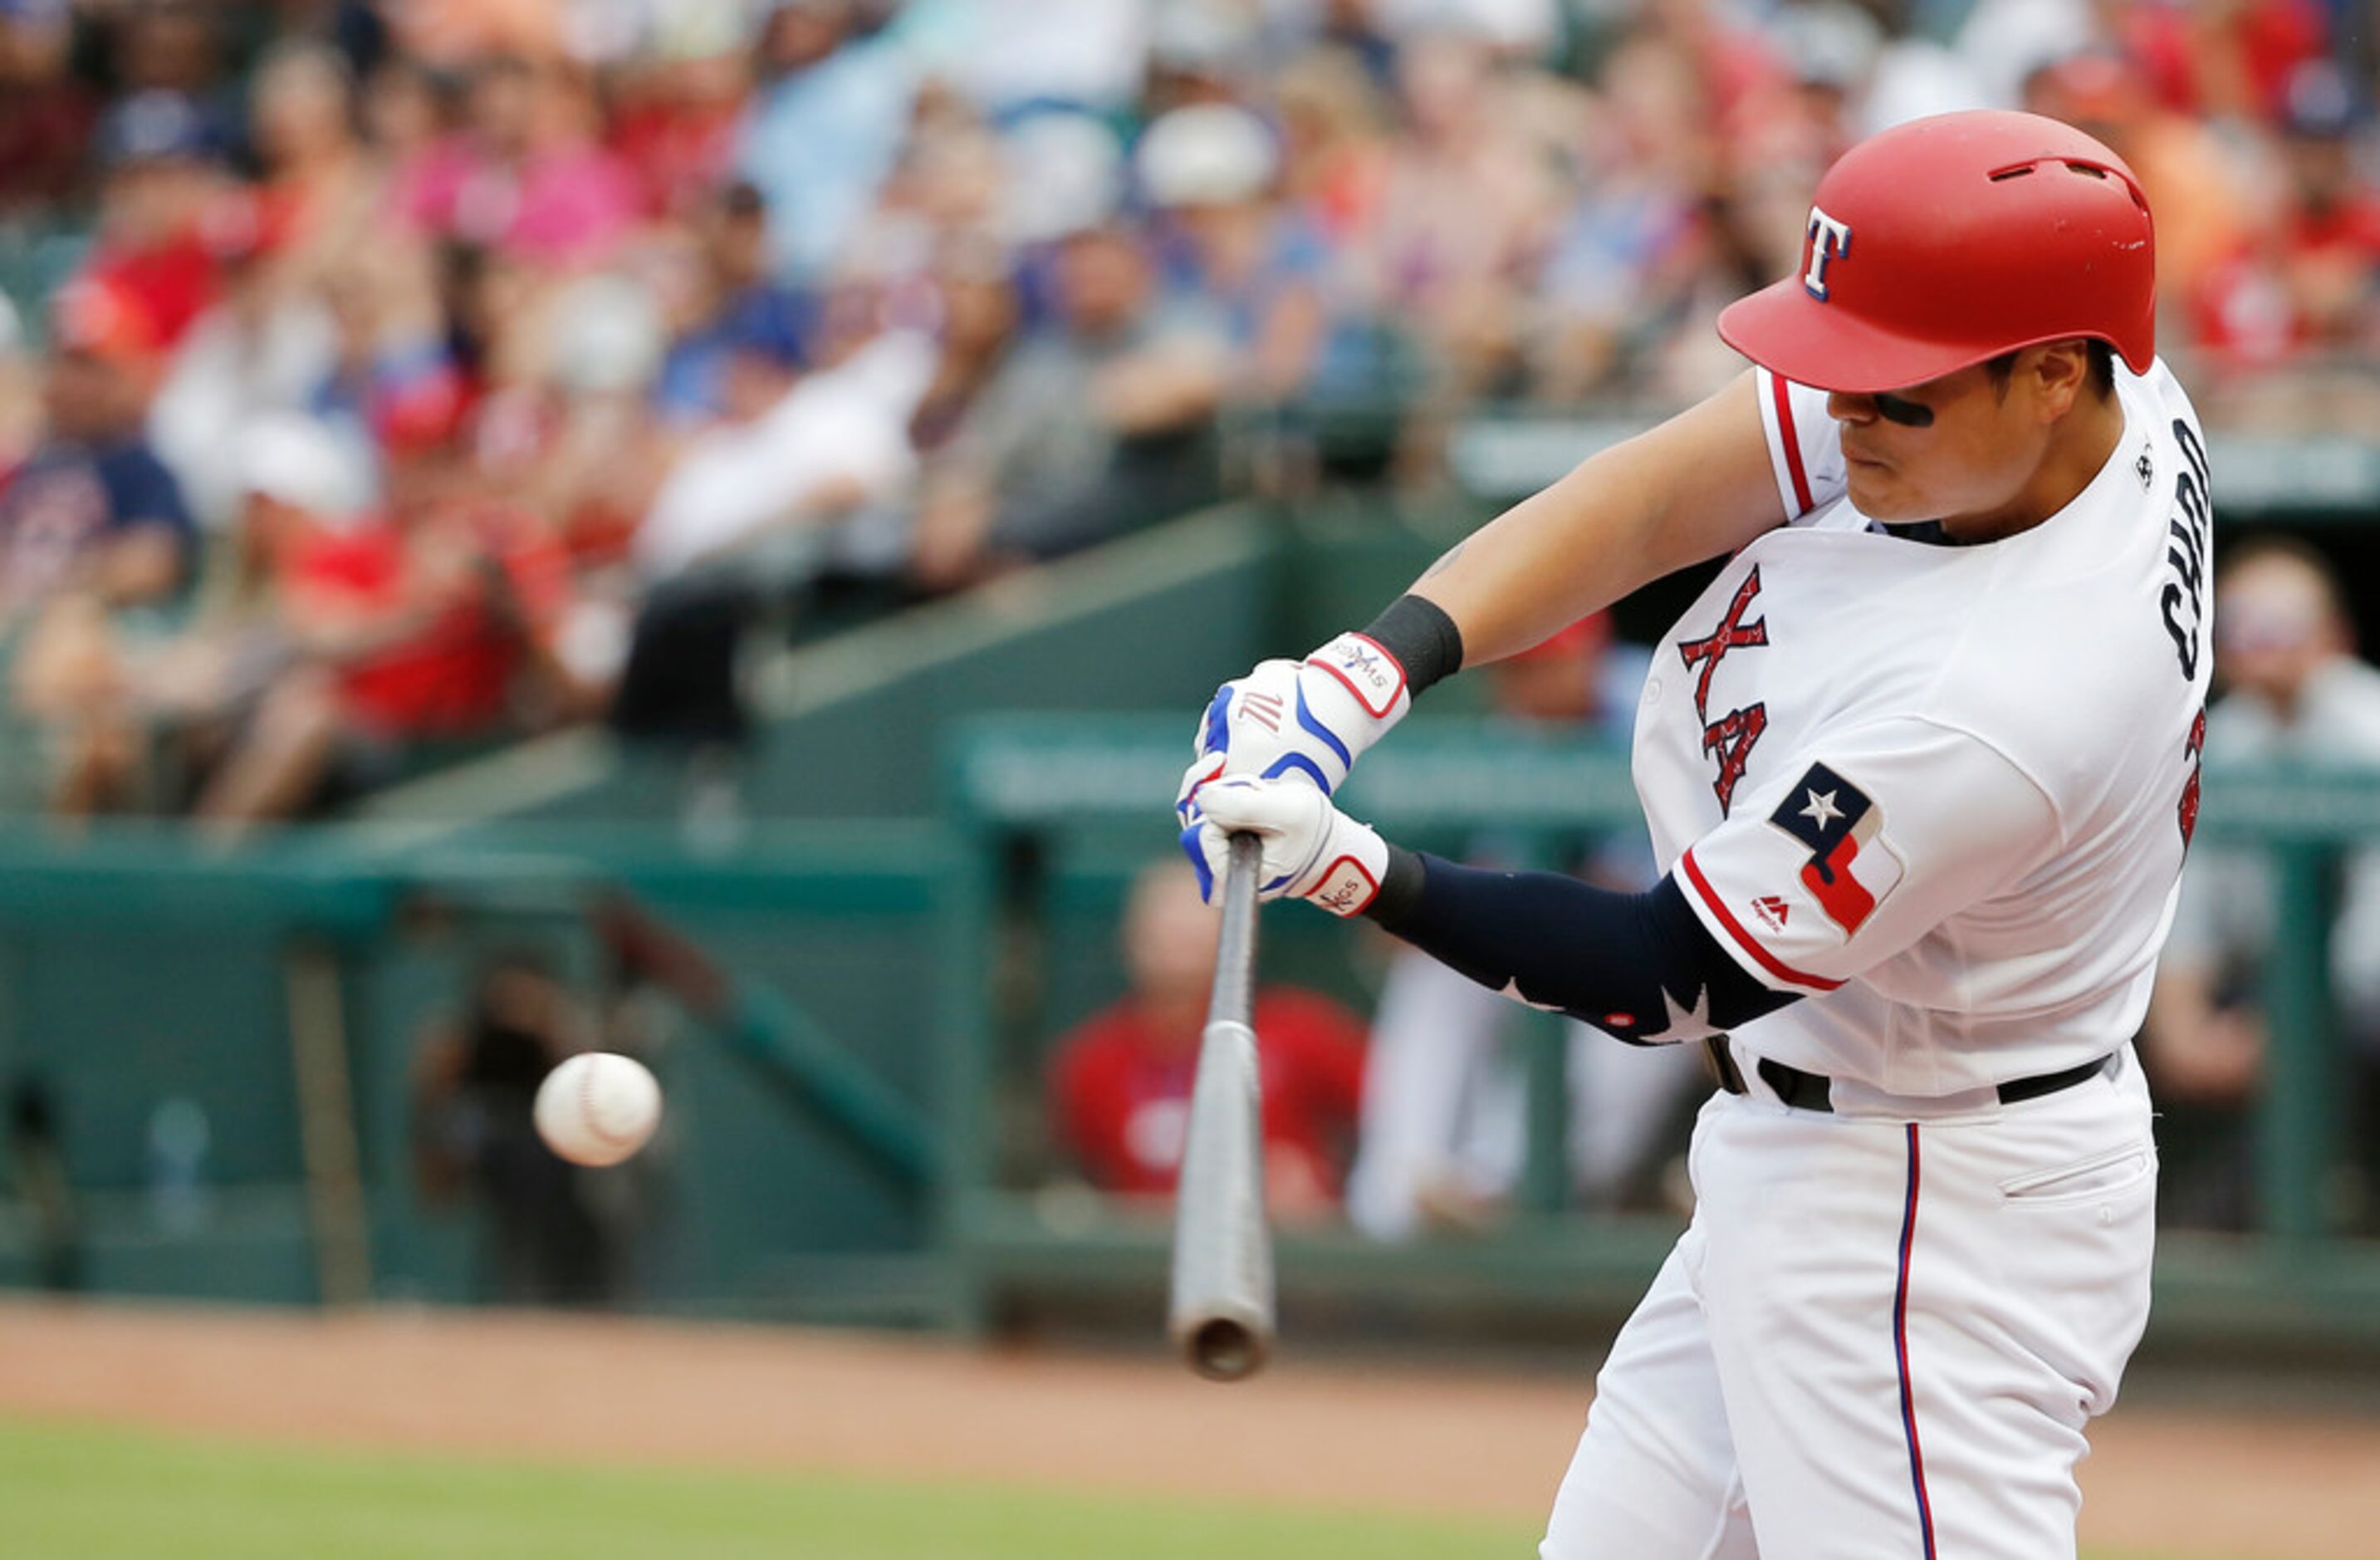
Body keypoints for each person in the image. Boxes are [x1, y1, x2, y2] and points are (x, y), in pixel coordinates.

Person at [1177, 110, 2200, 1558]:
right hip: (1822, 1149)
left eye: (1890, 397)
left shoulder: (2003, 700)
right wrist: (1363, 674)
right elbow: (1659, 489)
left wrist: (1349, 862)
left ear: (2046, 376)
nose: (1846, 420)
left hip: (1925, 1218)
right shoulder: (2095, 392)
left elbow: (1668, 971)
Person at [2142, 537, 2380, 1229]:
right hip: (2272, 991)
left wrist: (2293, 1028)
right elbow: (2188, 916)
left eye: (2282, 622)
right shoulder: (2222, 741)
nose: (2260, 640)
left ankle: (2225, 1226)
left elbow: (2369, 952)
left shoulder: (2370, 729)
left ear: (2334, 635)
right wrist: (2181, 1023)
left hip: (2351, 1000)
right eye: (2242, 624)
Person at [1046, 857, 1368, 1222]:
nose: (1178, 950)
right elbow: (1075, 1186)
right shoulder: (1093, 1058)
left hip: (1285, 1258)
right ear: (1130, 939)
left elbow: (1397, 1116)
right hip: (1148, 1266)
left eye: (1195, 933)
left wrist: (1328, 1184)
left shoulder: (1302, 1031)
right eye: (1164, 933)